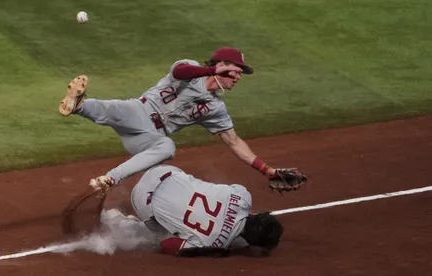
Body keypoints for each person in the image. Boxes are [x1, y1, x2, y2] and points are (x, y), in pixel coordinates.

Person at [58, 47, 287, 192]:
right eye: (237, 71)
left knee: (167, 146)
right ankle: (79, 105)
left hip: (149, 138)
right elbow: (179, 73)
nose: (238, 77)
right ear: (222, 65)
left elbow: (234, 142)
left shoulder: (216, 107)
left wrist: (268, 170)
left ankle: (108, 180)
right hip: (139, 110)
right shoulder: (191, 68)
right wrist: (211, 72)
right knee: (114, 108)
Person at [129, 163, 283, 257]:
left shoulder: (243, 197)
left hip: (162, 172)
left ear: (255, 214)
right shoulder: (212, 243)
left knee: (197, 187)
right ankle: (127, 224)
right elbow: (166, 245)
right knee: (163, 232)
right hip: (140, 201)